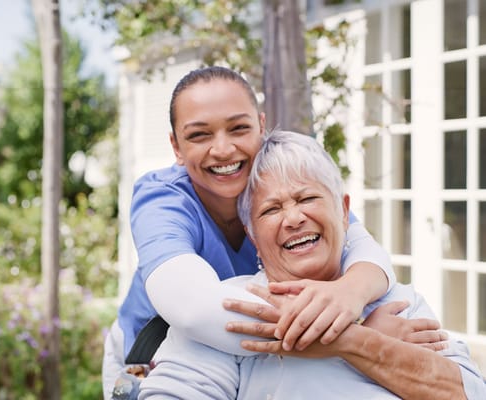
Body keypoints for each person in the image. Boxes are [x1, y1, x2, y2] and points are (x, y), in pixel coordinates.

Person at [103, 66, 399, 398]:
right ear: (176, 147)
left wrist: (352, 292)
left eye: (238, 128)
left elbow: (364, 250)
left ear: (261, 125)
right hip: (148, 361)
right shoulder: (162, 199)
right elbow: (195, 311)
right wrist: (357, 337)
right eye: (199, 135)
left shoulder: (283, 183)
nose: (223, 149)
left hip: (244, 355)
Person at [138, 130, 486, 399]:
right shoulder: (230, 310)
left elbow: (467, 392)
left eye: (307, 198)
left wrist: (351, 341)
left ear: (344, 211)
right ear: (253, 234)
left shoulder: (396, 303)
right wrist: (345, 336)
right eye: (271, 210)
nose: (293, 218)